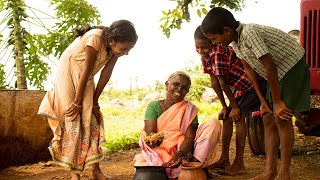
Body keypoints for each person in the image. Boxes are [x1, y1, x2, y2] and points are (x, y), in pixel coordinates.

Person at [201, 7, 310, 180]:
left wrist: (277, 101)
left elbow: (269, 66)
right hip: (275, 73)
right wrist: (263, 101)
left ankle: (284, 173)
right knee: (267, 116)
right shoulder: (235, 42)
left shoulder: (249, 33)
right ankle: (269, 171)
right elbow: (249, 69)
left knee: (281, 117)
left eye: (215, 38)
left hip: (291, 67)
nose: (214, 43)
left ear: (227, 31)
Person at [38, 20, 138, 180]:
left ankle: (95, 170)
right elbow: (86, 69)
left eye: (129, 49)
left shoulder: (114, 49)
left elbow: (106, 74)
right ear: (112, 40)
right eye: (124, 48)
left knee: (92, 119)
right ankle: (74, 174)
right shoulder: (95, 38)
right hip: (70, 75)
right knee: (73, 120)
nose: (126, 53)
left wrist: (95, 102)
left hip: (85, 78)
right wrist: (77, 102)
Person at [194, 25, 266, 175]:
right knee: (226, 118)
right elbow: (214, 82)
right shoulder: (205, 56)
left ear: (212, 43)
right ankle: (224, 159)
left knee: (238, 118)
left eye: (204, 47)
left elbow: (222, 82)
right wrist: (225, 107)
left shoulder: (217, 52)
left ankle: (239, 163)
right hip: (239, 88)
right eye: (197, 47)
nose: (201, 51)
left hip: (251, 85)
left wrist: (234, 107)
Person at [133, 71, 222, 179]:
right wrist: (164, 143)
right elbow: (151, 133)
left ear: (187, 91)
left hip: (183, 150)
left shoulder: (190, 109)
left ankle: (193, 165)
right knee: (150, 166)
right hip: (159, 148)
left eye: (184, 87)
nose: (179, 89)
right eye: (176, 84)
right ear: (167, 85)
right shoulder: (154, 106)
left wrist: (180, 153)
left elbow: (190, 137)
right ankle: (171, 167)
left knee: (214, 123)